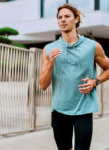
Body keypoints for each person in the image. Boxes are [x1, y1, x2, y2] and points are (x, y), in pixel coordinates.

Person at [38, 3, 109, 150]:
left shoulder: (92, 46)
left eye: (67, 16)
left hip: (83, 110)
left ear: (76, 19)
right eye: (59, 17)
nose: (63, 20)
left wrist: (95, 81)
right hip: (59, 110)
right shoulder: (49, 49)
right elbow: (43, 85)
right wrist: (50, 64)